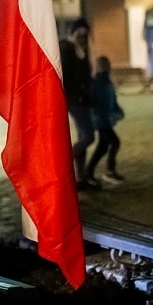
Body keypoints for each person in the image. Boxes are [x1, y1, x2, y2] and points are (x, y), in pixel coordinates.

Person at [60, 19, 97, 189]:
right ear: (74, 32)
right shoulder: (68, 48)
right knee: (89, 136)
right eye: (80, 33)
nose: (83, 36)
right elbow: (66, 75)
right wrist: (78, 91)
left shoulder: (81, 49)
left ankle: (80, 178)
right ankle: (64, 169)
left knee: (83, 136)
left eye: (85, 33)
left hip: (83, 98)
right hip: (75, 99)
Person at [86, 55, 124, 185]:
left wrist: (118, 110)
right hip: (101, 120)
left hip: (105, 119)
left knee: (102, 147)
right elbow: (93, 102)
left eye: (106, 65)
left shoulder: (107, 82)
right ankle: (109, 172)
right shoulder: (95, 82)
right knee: (115, 142)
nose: (105, 67)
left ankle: (88, 172)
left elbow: (112, 100)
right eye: (102, 65)